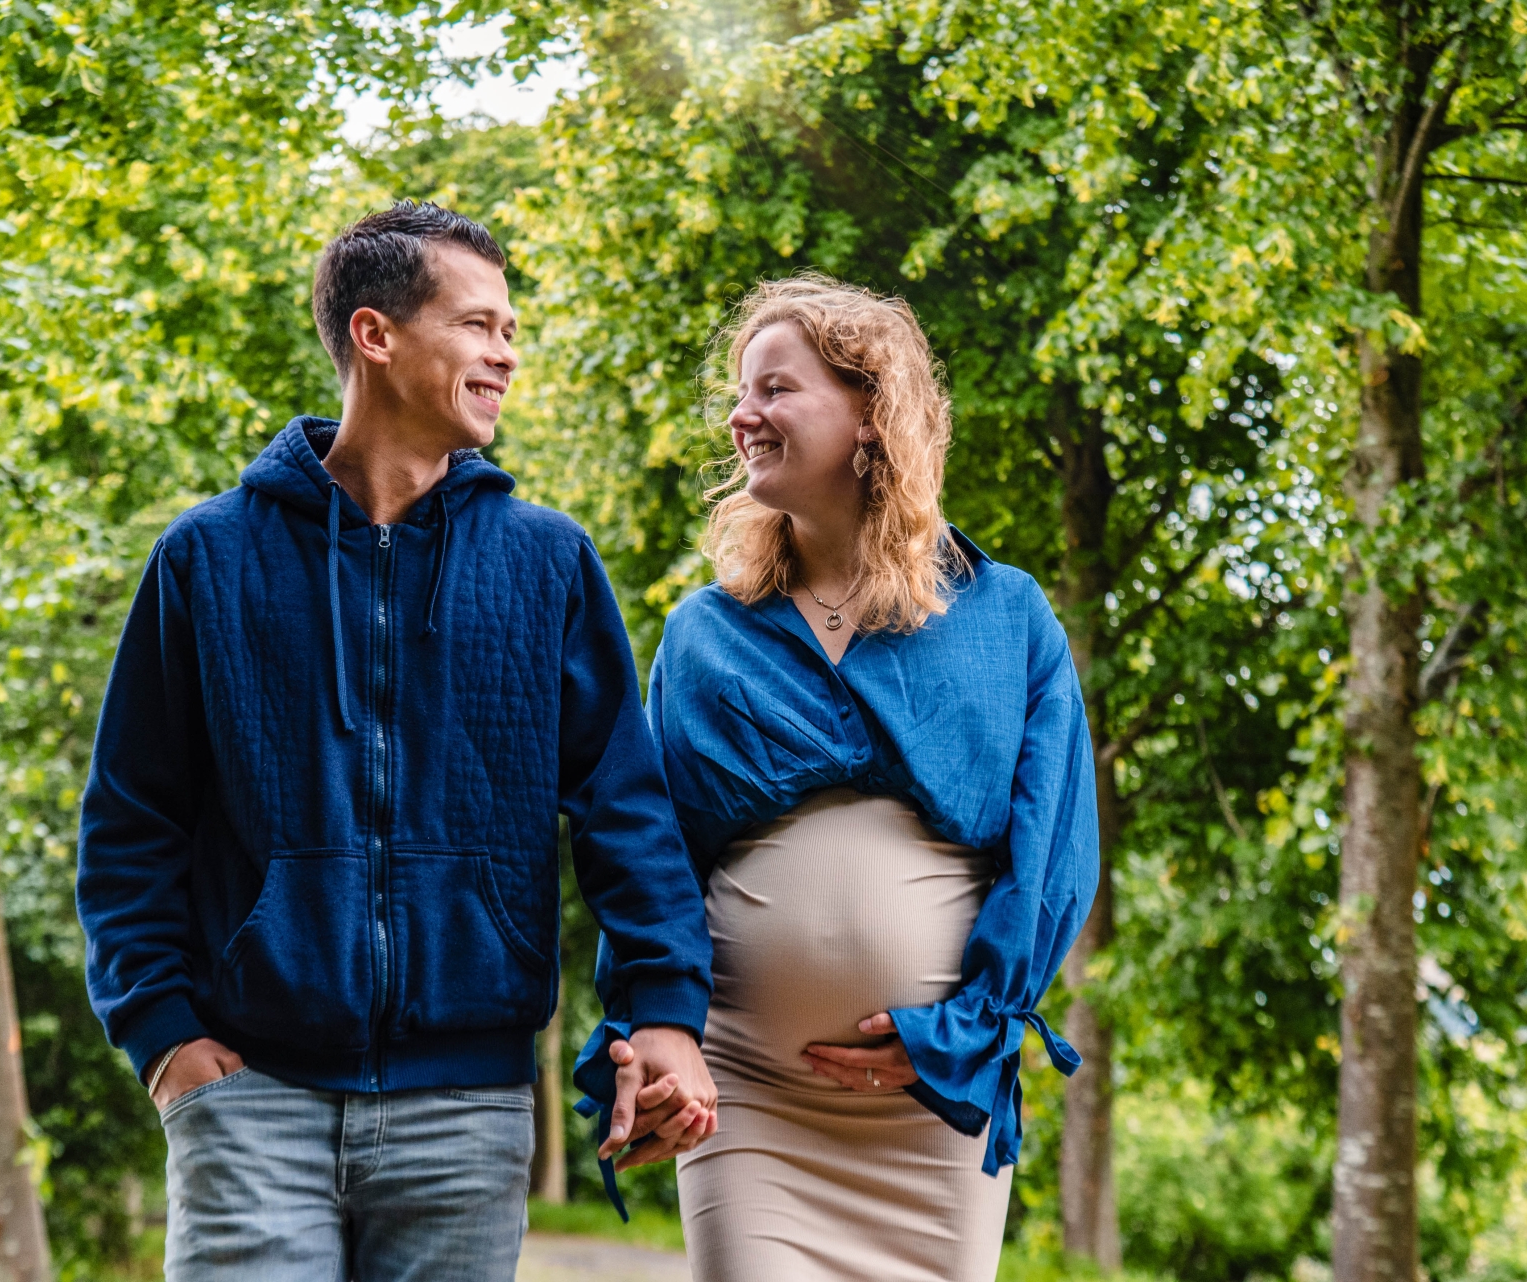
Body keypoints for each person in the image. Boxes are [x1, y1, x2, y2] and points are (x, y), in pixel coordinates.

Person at [76, 200, 717, 1282]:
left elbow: (628, 812)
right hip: (251, 1099)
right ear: (374, 335)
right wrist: (164, 1037)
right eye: (477, 325)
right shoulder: (206, 559)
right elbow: (131, 821)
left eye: (511, 330)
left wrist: (663, 1011)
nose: (506, 354)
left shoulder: (548, 563)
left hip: (465, 1109)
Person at [641, 273, 1100, 1280]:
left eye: (774, 388)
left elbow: (1053, 853)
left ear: (869, 412)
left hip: (930, 1102)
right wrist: (652, 1027)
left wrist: (963, 1032)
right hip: (748, 1092)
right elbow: (652, 858)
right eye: (740, 392)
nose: (742, 414)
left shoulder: (1006, 616)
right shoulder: (702, 633)